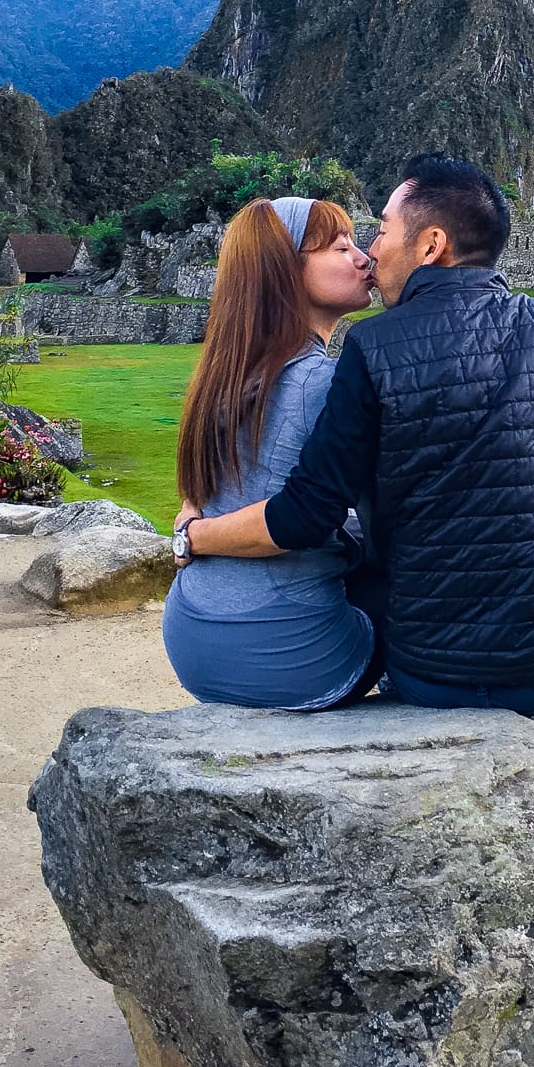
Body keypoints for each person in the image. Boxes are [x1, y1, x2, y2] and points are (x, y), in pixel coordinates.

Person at [173, 155, 534, 725]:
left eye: (379, 230)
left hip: (424, 672)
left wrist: (193, 532)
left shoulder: (362, 350)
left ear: (429, 246)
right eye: (350, 241)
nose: (370, 250)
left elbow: (311, 509)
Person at [163, 195, 380, 711]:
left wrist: (192, 535)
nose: (364, 257)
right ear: (287, 271)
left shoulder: (224, 379)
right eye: (340, 246)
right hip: (289, 657)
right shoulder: (322, 382)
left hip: (190, 634)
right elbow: (312, 520)